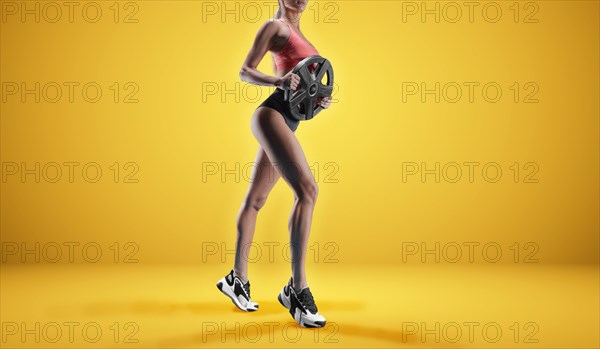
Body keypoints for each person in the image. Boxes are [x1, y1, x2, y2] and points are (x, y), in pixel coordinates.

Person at [216, 0, 332, 328]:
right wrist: (278, 82)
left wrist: (318, 98)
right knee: (307, 190)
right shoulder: (275, 27)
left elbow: (308, 84)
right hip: (272, 114)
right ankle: (297, 290)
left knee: (256, 200)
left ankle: (235, 279)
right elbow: (244, 71)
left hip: (289, 118)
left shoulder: (302, 35)